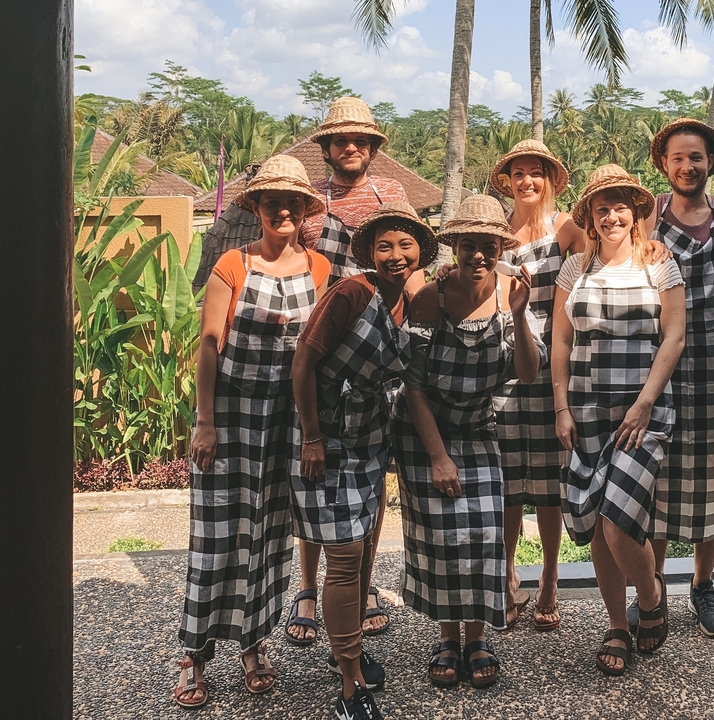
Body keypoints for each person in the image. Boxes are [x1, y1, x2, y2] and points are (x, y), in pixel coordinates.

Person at [173, 155, 331, 708]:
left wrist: (315, 430)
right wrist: (206, 422)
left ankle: (253, 643)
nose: (282, 210)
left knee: (267, 534)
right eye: (272, 202)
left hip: (288, 417)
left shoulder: (320, 269)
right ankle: (194, 652)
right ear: (257, 208)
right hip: (234, 416)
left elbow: (320, 352)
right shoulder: (230, 266)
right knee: (217, 534)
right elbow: (210, 347)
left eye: (292, 202)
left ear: (306, 209)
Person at [290, 202, 438, 720]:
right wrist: (311, 437)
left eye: (405, 245)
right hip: (327, 441)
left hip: (371, 440)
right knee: (347, 558)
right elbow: (303, 362)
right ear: (370, 255)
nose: (396, 255)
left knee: (363, 556)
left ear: (420, 252)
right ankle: (350, 686)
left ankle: (345, 650)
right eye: (384, 246)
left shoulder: (410, 303)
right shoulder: (353, 292)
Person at [394, 195, 543, 689]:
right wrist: (437, 457)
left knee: (482, 536)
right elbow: (412, 385)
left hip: (479, 428)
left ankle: (477, 638)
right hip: (427, 432)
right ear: (453, 246)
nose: (479, 256)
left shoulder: (510, 294)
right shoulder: (429, 300)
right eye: (469, 246)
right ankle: (447, 637)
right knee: (440, 538)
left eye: (488, 246)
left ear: (501, 247)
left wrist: (520, 316)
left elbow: (527, 371)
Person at [285, 96, 416, 647]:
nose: (352, 148)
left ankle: (361, 586)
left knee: (371, 476)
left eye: (361, 140)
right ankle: (311, 587)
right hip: (321, 335)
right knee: (317, 481)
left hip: (379, 343)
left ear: (374, 147)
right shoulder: (310, 204)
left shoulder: (394, 195)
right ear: (327, 147)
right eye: (342, 140)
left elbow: (411, 262)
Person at [552, 164, 686, 676]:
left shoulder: (658, 264)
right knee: (594, 521)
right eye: (601, 207)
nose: (611, 215)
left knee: (615, 520)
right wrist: (561, 407)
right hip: (587, 412)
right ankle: (615, 623)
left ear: (635, 213)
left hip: (641, 414)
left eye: (620, 206)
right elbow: (561, 342)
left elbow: (673, 337)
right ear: (589, 215)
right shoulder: (575, 269)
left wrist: (646, 401)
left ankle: (650, 597)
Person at [628, 119, 714, 642]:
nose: (687, 166)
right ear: (663, 164)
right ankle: (651, 588)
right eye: (678, 158)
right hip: (658, 367)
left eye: (696, 158)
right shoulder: (645, 217)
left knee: (712, 474)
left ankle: (702, 583)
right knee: (656, 476)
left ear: (710, 163)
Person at [486, 140, 584, 631]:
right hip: (502, 356)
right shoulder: (497, 230)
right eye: (518, 173)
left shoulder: (564, 226)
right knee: (506, 479)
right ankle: (506, 576)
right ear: (507, 180)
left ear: (549, 179)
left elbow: (601, 259)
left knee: (547, 482)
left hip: (551, 361)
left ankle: (549, 576)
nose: (526, 181)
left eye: (535, 173)